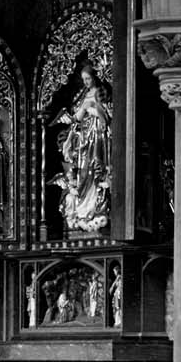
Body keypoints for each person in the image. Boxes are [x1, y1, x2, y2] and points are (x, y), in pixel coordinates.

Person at [52, 62, 112, 233]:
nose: (86, 82)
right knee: (83, 171)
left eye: (88, 78)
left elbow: (105, 118)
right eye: (84, 79)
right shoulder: (83, 95)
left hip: (97, 137)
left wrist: (91, 109)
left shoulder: (101, 94)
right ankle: (83, 212)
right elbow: (76, 118)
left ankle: (96, 209)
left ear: (95, 78)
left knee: (95, 169)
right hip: (84, 139)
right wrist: (68, 119)